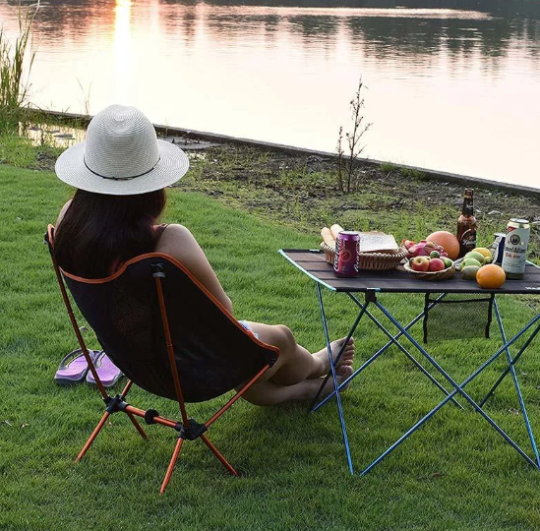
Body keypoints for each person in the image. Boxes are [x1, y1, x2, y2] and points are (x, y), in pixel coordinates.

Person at [53, 105, 354, 406]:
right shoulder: (170, 241)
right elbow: (224, 310)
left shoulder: (69, 223)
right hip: (195, 373)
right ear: (153, 181)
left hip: (135, 364)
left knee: (251, 353)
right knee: (281, 340)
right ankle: (318, 364)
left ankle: (304, 391)